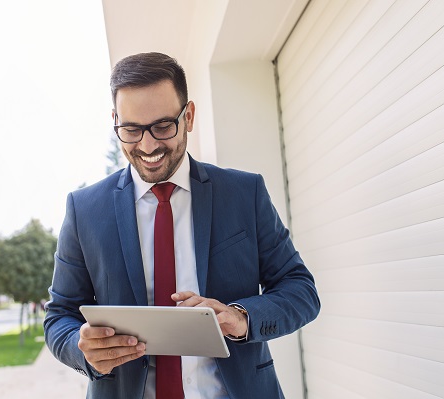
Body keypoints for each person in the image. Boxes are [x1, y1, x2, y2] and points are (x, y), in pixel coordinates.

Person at [44, 52, 320, 399]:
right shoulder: (84, 209)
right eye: (131, 130)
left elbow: (301, 290)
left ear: (188, 116)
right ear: (115, 121)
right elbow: (59, 316)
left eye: (162, 126)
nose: (147, 146)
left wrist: (240, 317)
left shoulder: (243, 193)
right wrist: (80, 347)